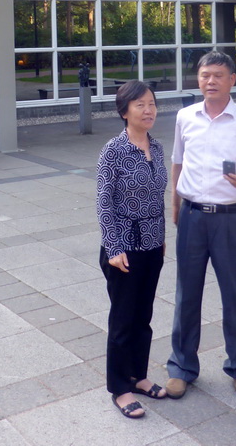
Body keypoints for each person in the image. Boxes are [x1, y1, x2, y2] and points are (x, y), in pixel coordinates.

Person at [166, 50, 236, 400]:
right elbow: (178, 161)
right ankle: (182, 367)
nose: (209, 81)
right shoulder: (185, 117)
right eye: (204, 75)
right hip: (192, 218)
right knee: (186, 295)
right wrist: (176, 202)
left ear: (232, 81)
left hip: (230, 220)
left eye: (217, 76)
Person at [96, 80, 169, 419]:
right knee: (123, 320)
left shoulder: (158, 147)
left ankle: (138, 376)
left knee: (144, 318)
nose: (149, 109)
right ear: (124, 112)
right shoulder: (113, 150)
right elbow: (104, 202)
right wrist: (113, 246)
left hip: (152, 244)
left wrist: (162, 237)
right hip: (123, 248)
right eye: (140, 104)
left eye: (152, 103)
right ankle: (120, 389)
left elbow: (157, 198)